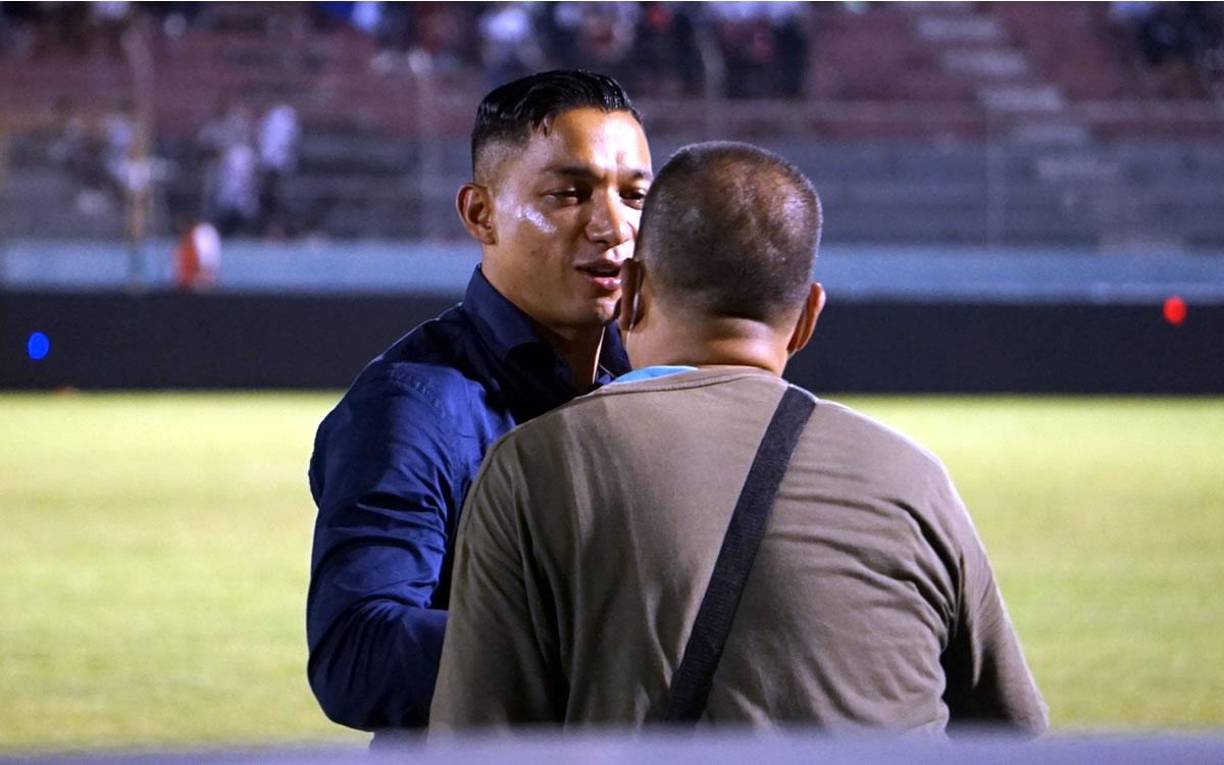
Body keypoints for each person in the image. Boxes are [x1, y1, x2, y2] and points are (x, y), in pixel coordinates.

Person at [430, 142, 1048, 734]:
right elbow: (1011, 732)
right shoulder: (911, 478)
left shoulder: (536, 466)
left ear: (633, 292)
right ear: (808, 316)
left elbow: (477, 741)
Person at [306, 70, 652, 743]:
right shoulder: (412, 408)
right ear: (480, 213)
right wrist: (593, 652)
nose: (614, 226)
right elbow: (357, 652)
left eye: (635, 195)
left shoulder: (655, 380)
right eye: (569, 193)